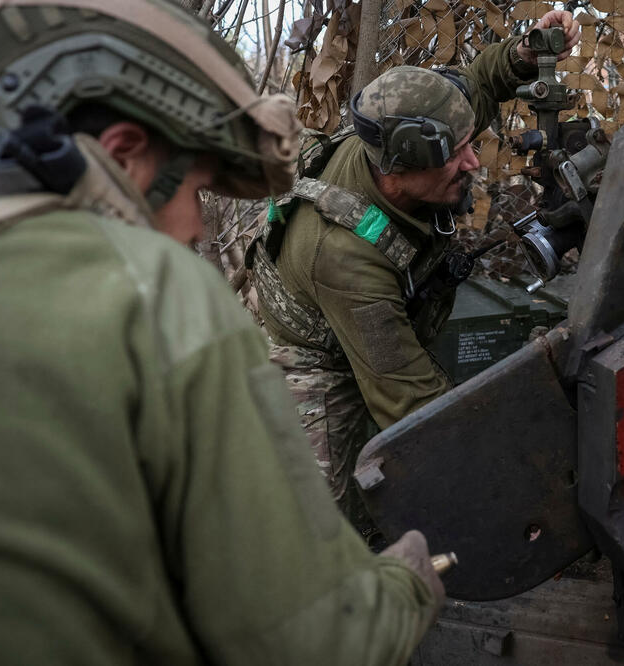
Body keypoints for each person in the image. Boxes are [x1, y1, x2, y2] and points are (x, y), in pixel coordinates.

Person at [0, 1, 443, 663]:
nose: (198, 228)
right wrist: (407, 584)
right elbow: (318, 641)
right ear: (124, 154)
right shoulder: (152, 294)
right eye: (198, 189)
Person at [249, 11, 581, 529]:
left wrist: (525, 51)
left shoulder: (424, 124)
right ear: (401, 171)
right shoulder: (346, 259)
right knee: (327, 523)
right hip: (312, 353)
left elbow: (481, 83)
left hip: (369, 306)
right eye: (457, 155)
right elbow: (410, 399)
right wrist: (523, 474)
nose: (474, 162)